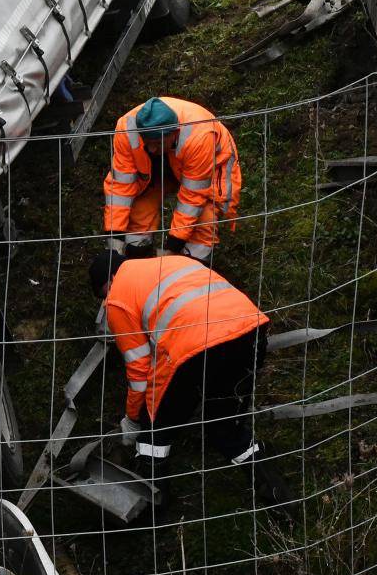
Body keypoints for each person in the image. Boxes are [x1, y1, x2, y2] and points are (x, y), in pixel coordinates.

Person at [89, 249, 289, 508]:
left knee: (155, 433)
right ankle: (280, 499)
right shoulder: (174, 263)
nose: (106, 303)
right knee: (225, 427)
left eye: (103, 295)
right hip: (250, 333)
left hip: (195, 349)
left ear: (109, 281)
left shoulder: (118, 297)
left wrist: (134, 419)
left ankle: (151, 514)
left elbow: (139, 372)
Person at [102, 97, 240, 264]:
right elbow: (120, 187)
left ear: (174, 133)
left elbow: (192, 197)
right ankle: (137, 259)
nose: (152, 149)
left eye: (156, 143)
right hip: (157, 169)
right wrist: (114, 236)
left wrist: (174, 244)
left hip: (208, 166)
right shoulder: (126, 130)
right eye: (147, 143)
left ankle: (195, 270)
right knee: (138, 211)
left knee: (203, 220)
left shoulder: (199, 137)